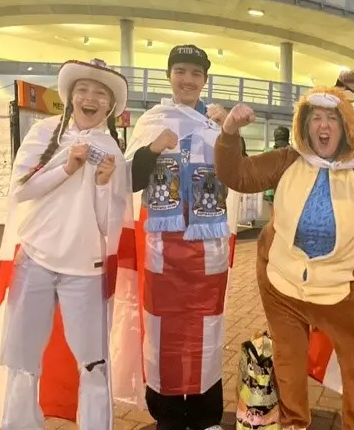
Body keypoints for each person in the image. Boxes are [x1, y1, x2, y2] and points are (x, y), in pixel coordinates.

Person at [214, 85, 354, 429]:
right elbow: (238, 175)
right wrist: (229, 133)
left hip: (344, 290)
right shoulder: (288, 159)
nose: (323, 125)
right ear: (305, 125)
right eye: (316, 117)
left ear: (346, 125)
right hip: (282, 283)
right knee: (288, 361)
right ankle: (293, 423)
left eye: (332, 118)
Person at [0, 59, 133, 430]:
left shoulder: (112, 151)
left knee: (93, 364)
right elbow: (21, 189)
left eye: (100, 93)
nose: (90, 98)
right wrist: (67, 167)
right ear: (70, 95)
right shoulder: (44, 133)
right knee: (22, 361)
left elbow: (108, 226)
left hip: (85, 271)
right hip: (35, 260)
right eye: (83, 89)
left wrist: (106, 183)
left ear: (109, 105)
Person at [125, 44, 234, 430]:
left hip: (208, 248)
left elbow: (239, 174)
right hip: (162, 248)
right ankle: (168, 415)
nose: (188, 80)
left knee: (207, 325)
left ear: (205, 81)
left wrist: (229, 132)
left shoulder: (216, 122)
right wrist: (154, 148)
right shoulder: (152, 120)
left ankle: (205, 414)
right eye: (181, 71)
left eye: (196, 74)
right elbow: (130, 178)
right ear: (169, 76)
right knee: (162, 328)